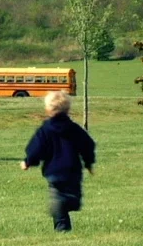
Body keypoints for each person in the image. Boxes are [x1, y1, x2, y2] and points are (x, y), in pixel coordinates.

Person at [20, 91, 96, 232]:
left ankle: (61, 220)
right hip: (73, 171)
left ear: (48, 110)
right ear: (68, 109)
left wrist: (28, 161)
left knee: (57, 199)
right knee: (72, 196)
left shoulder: (45, 131)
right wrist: (89, 162)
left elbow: (35, 148)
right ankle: (70, 204)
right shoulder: (75, 129)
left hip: (54, 172)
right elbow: (88, 145)